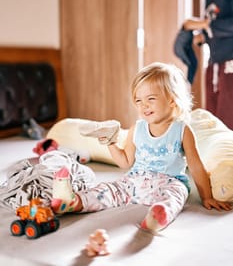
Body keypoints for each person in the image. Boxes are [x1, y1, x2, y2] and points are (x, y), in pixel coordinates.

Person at [51, 62, 231, 234]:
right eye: (138, 100)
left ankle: (159, 215)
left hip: (170, 181)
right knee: (109, 190)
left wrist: (207, 197)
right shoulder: (136, 129)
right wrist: (111, 143)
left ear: (172, 100)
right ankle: (73, 201)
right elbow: (125, 162)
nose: (143, 105)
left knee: (176, 195)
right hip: (136, 180)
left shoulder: (182, 130)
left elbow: (196, 166)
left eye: (150, 99)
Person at [182, 0, 233, 130]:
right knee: (214, 120)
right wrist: (203, 35)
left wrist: (207, 26)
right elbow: (213, 23)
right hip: (214, 62)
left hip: (231, 62)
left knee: (228, 118)